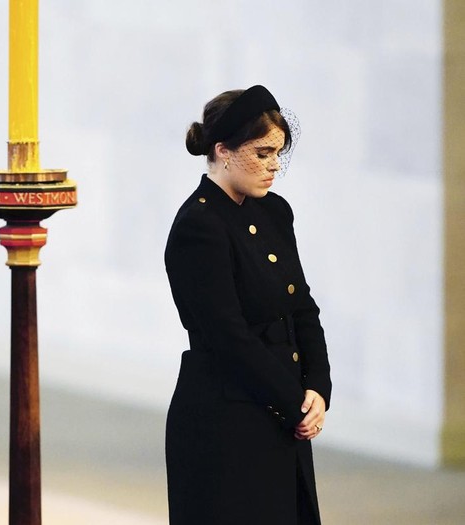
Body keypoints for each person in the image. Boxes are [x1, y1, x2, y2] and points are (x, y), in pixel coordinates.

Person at [164, 85, 332, 524]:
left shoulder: (275, 212)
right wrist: (295, 402)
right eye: (262, 153)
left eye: (278, 153)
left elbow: (302, 306)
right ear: (222, 150)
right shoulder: (198, 227)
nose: (274, 165)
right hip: (227, 424)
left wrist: (318, 386)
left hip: (281, 417)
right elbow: (229, 338)